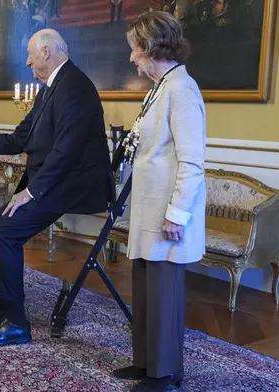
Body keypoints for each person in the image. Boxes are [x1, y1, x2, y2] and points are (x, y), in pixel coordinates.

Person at [0, 29, 114, 347]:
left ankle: (17, 324)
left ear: (46, 52)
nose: (27, 61)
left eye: (31, 54)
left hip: (70, 184)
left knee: (6, 230)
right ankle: (4, 307)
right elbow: (19, 138)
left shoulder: (75, 86)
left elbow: (67, 152)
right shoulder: (51, 88)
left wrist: (30, 193)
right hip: (55, 179)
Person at [111, 11, 206, 392]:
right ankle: (146, 363)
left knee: (164, 295)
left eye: (135, 49)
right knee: (147, 290)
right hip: (149, 209)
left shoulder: (182, 89)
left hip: (168, 214)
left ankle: (164, 375)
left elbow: (192, 161)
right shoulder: (160, 87)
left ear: (150, 47)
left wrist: (178, 215)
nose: (132, 58)